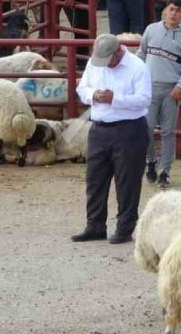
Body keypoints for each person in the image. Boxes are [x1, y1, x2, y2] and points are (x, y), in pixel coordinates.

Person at [71, 34, 151, 245]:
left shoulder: (137, 67)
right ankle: (95, 225)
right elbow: (82, 88)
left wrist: (115, 99)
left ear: (118, 51)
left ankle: (125, 227)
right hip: (99, 127)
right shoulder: (94, 62)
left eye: (109, 60)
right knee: (95, 179)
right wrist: (93, 95)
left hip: (129, 129)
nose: (105, 64)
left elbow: (144, 99)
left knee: (127, 182)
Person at [137, 0, 181, 189]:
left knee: (168, 132)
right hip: (149, 87)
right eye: (171, 9)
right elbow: (141, 54)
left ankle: (165, 171)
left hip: (171, 90)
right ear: (165, 10)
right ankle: (150, 160)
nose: (174, 13)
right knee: (145, 129)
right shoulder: (151, 30)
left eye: (179, 10)